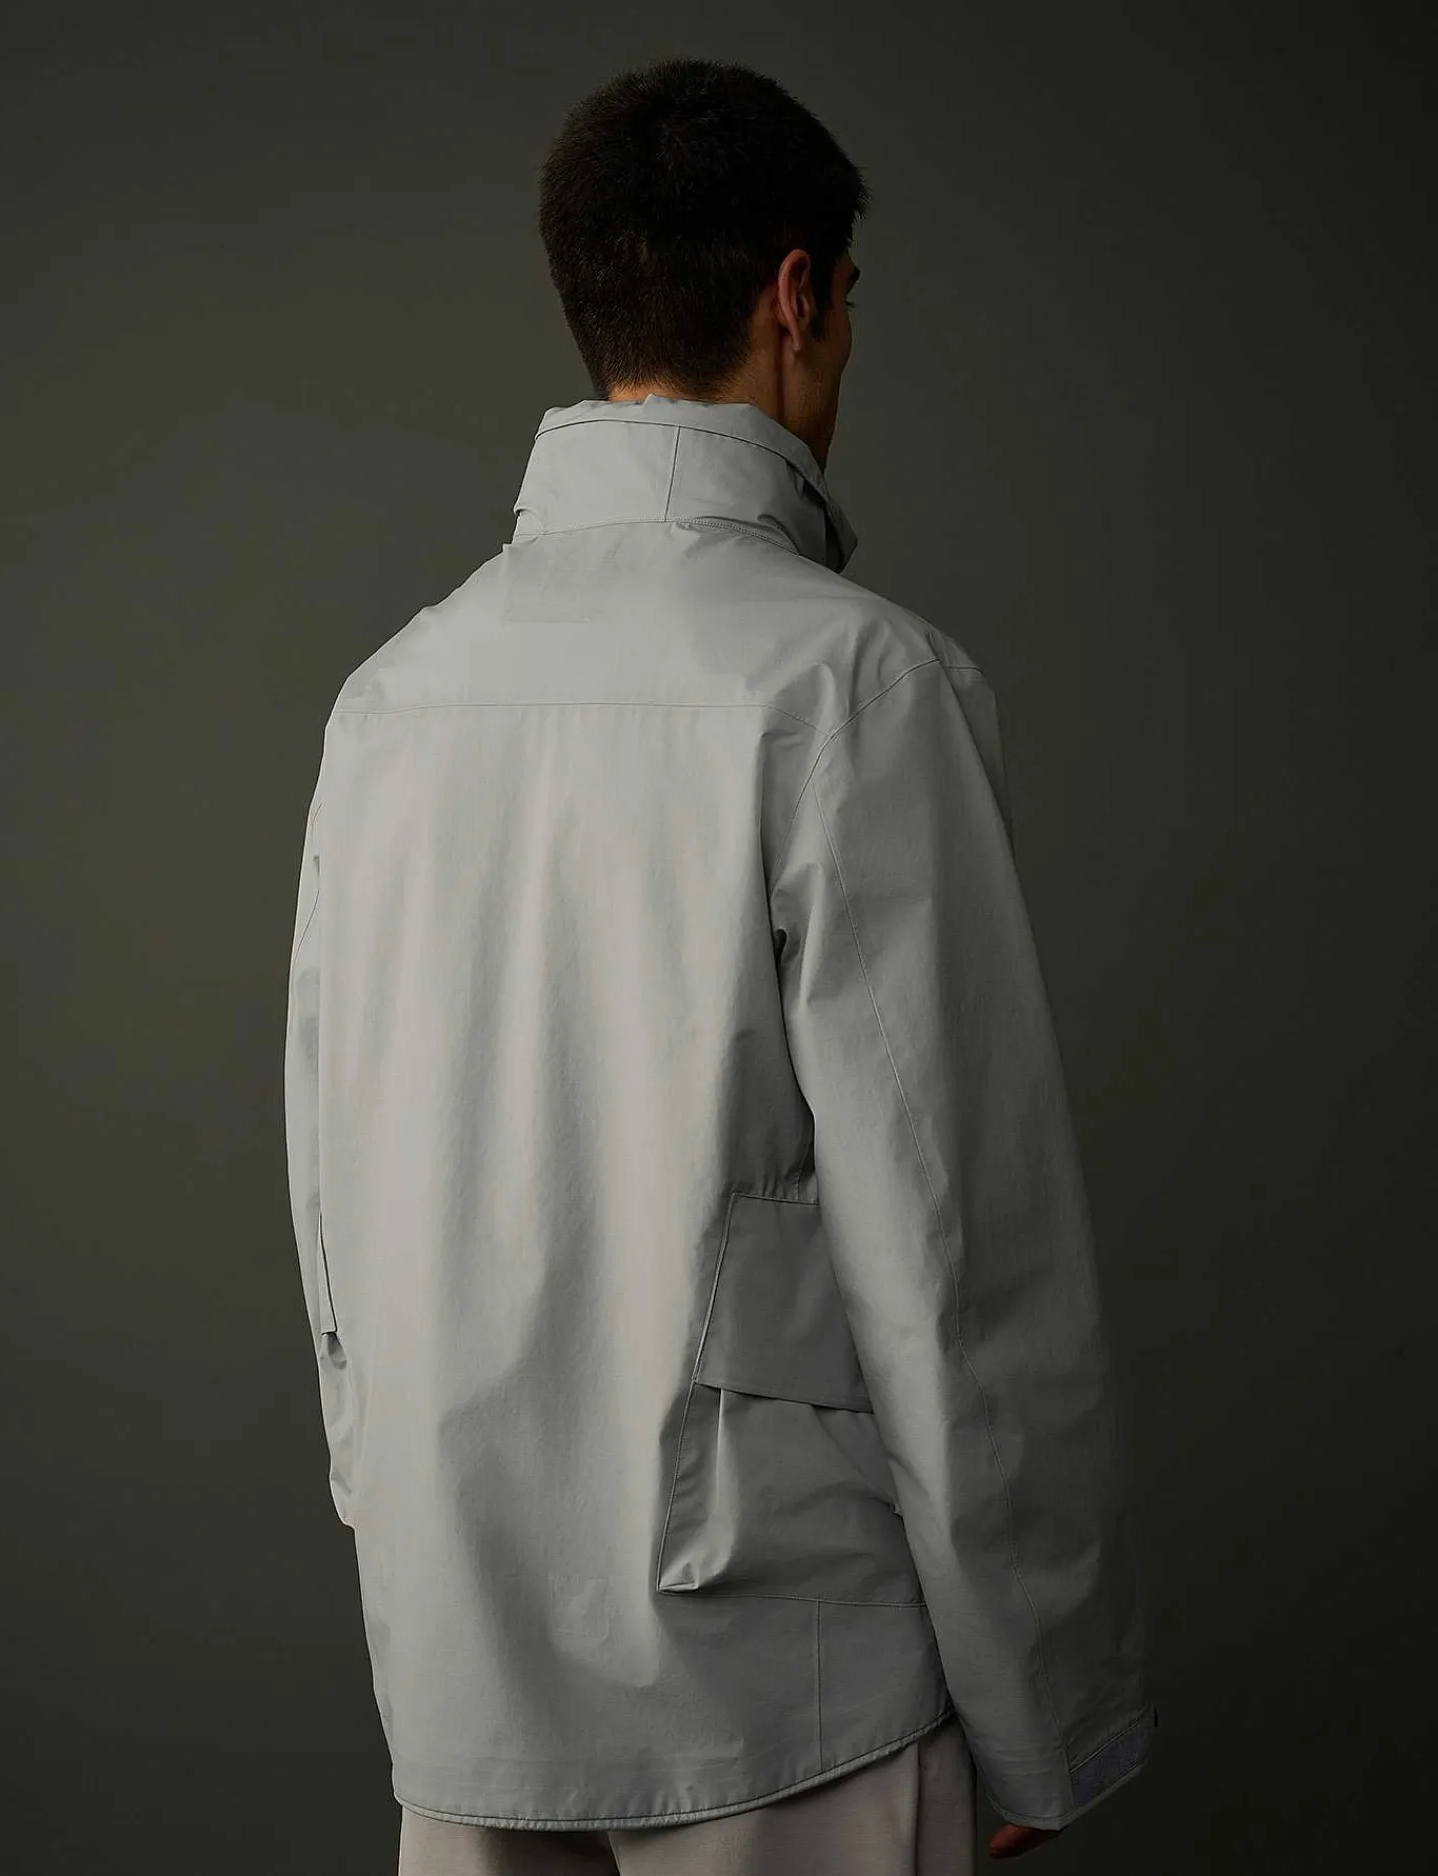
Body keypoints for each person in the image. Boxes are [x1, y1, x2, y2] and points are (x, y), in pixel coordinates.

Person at [284, 54, 1155, 1876]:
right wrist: (1041, 1706)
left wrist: (405, 1535)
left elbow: (331, 1201)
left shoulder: (389, 700)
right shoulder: (853, 682)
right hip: (794, 1681)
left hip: (463, 1661)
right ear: (798, 294)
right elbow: (958, 1258)